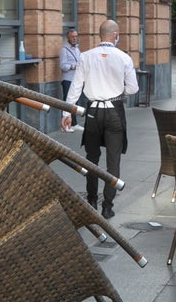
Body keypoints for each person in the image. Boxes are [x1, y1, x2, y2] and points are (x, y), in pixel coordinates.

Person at [62, 19, 138, 220]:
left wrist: (66, 114)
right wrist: (117, 91)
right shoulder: (124, 58)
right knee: (113, 160)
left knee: (91, 158)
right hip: (114, 110)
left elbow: (75, 87)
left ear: (100, 35)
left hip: (93, 111)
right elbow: (133, 88)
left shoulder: (85, 57)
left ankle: (92, 201)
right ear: (116, 35)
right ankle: (108, 205)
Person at [59, 27, 82, 128]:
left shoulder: (77, 49)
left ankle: (74, 123)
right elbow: (62, 66)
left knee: (74, 101)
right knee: (68, 102)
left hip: (75, 79)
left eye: (76, 36)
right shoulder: (64, 50)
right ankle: (66, 125)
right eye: (72, 37)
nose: (74, 38)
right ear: (68, 38)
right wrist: (73, 66)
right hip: (67, 79)